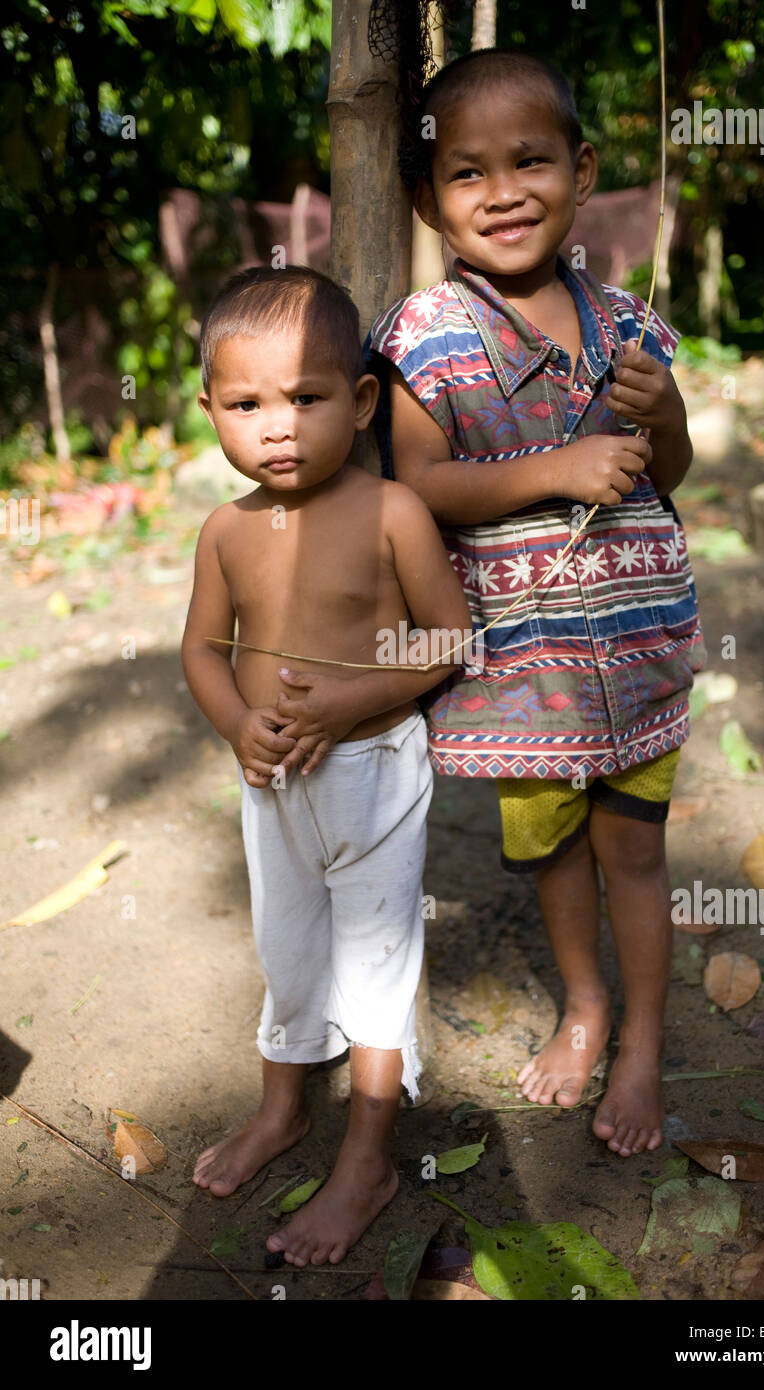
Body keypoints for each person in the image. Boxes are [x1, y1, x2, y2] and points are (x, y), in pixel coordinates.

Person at [364, 49, 706, 1158]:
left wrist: (660, 419)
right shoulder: (427, 339)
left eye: (530, 160)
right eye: (467, 173)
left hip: (640, 648)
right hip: (525, 676)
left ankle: (642, 1041)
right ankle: (584, 1005)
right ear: (426, 199)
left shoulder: (632, 328)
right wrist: (551, 469)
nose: (502, 190)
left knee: (637, 854)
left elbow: (675, 467)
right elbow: (416, 485)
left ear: (582, 170)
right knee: (557, 857)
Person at [181, 265, 472, 1265]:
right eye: (246, 403)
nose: (277, 426)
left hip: (372, 776)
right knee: (288, 949)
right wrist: (235, 725)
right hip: (273, 785)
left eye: (306, 398)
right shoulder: (225, 530)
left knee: (378, 966)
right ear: (210, 410)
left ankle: (368, 1156)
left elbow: (444, 640)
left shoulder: (390, 511)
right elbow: (200, 653)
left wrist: (349, 701)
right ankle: (281, 1111)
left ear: (356, 402)